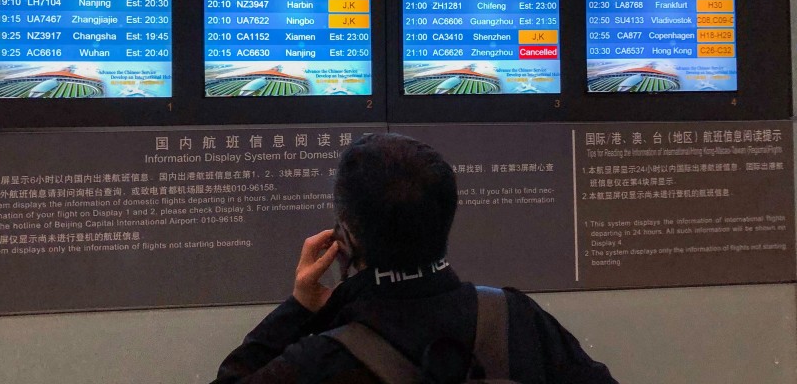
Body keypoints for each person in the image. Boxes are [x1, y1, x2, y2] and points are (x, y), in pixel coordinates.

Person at [212, 133, 618, 383]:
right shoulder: (518, 319)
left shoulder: (321, 360)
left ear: (347, 238)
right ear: (447, 216)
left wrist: (299, 308)